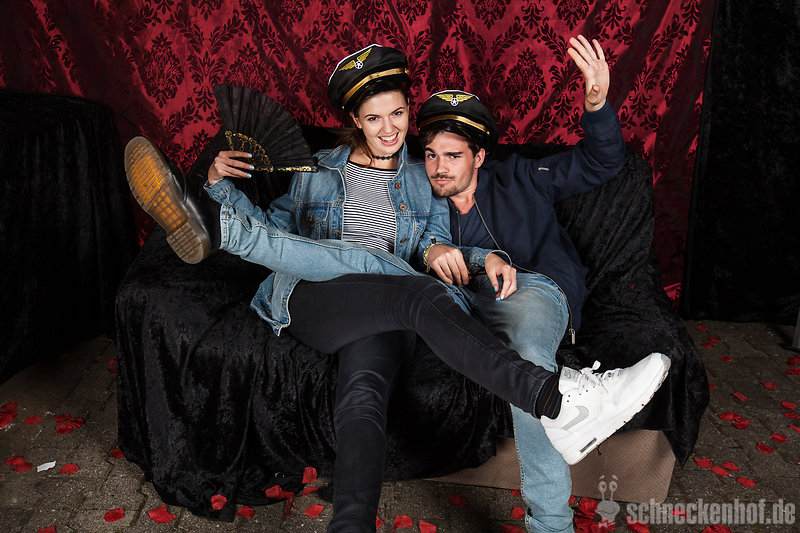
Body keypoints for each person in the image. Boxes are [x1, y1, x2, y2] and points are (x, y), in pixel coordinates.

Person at [124, 43, 669, 533]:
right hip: (314, 294)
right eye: (373, 118)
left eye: (398, 114)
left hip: (387, 305)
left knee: (364, 393)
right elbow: (279, 231)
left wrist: (473, 255)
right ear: (354, 122)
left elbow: (433, 244)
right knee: (393, 278)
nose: (389, 130)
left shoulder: (420, 179)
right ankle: (556, 400)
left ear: (412, 113)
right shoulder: (317, 171)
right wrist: (221, 188)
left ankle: (351, 524)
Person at [416, 35, 632, 533]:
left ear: (479, 156)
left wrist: (597, 105)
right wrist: (431, 252)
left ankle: (551, 523)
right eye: (430, 155)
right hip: (454, 302)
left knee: (529, 358)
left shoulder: (524, 177)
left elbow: (602, 162)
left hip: (532, 293)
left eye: (452, 155)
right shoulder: (418, 197)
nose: (439, 168)